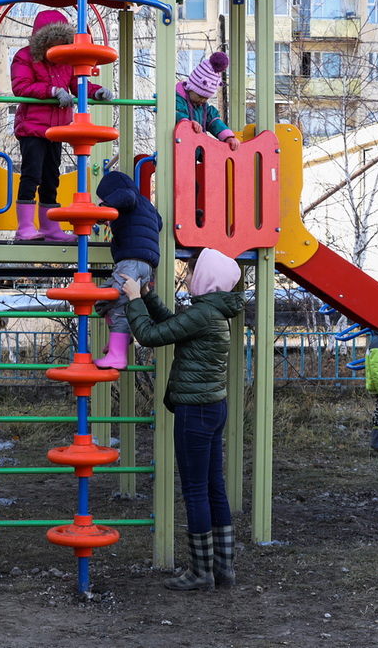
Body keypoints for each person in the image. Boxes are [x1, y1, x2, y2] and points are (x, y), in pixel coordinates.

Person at [120, 248, 243, 591]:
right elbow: (173, 323)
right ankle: (223, 568)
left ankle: (200, 572)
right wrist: (147, 296)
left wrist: (132, 300)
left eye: (190, 273)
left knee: (195, 492)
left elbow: (151, 336)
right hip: (213, 408)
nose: (186, 278)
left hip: (196, 412)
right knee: (214, 488)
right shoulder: (212, 311)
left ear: (205, 279)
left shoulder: (203, 315)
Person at [10, 8, 113, 242]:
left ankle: (49, 228)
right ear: (41, 41)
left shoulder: (65, 61)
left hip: (56, 131)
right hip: (33, 128)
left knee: (51, 178)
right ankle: (25, 227)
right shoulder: (25, 57)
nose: (55, 49)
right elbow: (22, 86)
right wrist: (53, 91)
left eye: (61, 44)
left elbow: (78, 84)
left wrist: (95, 92)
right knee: (31, 175)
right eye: (51, 44)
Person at [92, 169, 162, 370]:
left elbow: (125, 196)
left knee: (121, 306)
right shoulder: (146, 204)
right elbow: (159, 222)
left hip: (130, 262)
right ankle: (119, 340)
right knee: (102, 300)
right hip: (144, 265)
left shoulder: (129, 196)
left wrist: (103, 208)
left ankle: (117, 355)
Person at [176, 52, 241, 151]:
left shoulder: (203, 108)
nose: (202, 100)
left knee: (215, 154)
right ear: (190, 87)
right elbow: (177, 114)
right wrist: (188, 124)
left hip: (196, 149)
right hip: (179, 148)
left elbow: (214, 121)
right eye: (200, 96)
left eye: (206, 98)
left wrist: (229, 137)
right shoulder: (178, 100)